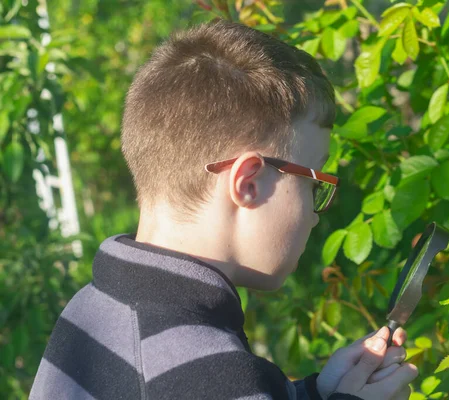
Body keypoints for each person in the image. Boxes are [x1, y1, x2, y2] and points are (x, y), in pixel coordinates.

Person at [30, 18, 418, 399]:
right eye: (313, 182)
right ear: (248, 183)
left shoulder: (96, 308)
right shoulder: (208, 374)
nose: (316, 213)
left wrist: (316, 393)